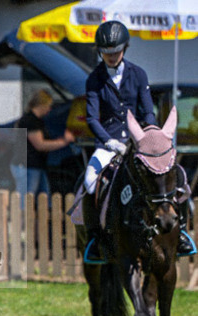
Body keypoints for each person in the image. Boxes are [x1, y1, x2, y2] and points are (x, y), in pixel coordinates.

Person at [83, 20, 194, 261]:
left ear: (125, 48)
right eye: (106, 53)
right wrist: (109, 142)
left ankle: (181, 231)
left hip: (139, 142)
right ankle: (96, 238)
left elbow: (148, 113)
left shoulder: (138, 74)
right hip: (109, 143)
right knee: (90, 181)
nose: (111, 57)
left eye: (116, 52)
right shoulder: (94, 79)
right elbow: (92, 118)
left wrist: (151, 137)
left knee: (179, 177)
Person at [10, 89, 75, 201]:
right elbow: (40, 145)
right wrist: (64, 141)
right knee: (26, 198)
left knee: (44, 197)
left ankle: (36, 217)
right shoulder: (30, 121)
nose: (49, 109)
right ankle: (22, 217)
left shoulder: (36, 121)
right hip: (27, 166)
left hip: (36, 165)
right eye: (48, 106)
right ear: (42, 105)